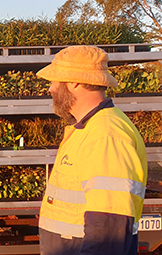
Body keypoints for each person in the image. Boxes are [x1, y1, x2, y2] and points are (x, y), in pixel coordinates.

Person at [36, 45, 147, 255]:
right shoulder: (88, 127)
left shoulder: (104, 135)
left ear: (74, 81)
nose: (50, 88)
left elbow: (108, 228)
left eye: (54, 81)